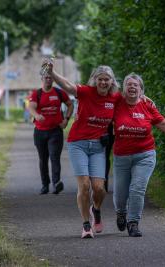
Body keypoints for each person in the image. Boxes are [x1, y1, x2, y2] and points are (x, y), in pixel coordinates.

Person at [46, 60, 120, 238]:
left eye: (107, 79)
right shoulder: (87, 92)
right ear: (95, 80)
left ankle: (96, 209)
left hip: (97, 147)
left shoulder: (116, 97)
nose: (103, 82)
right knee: (85, 185)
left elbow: (133, 99)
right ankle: (86, 225)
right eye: (100, 79)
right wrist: (52, 73)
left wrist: (145, 99)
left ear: (112, 82)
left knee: (99, 188)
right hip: (78, 143)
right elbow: (68, 86)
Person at [112, 73, 165, 237]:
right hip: (121, 156)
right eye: (129, 84)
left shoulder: (147, 105)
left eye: (136, 85)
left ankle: (133, 223)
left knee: (137, 189)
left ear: (141, 89)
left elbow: (161, 122)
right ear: (123, 89)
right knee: (120, 194)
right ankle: (121, 213)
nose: (132, 87)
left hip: (145, 155)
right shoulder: (117, 102)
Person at [28, 73, 73, 195]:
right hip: (40, 132)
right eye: (46, 78)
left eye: (51, 78)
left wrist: (66, 119)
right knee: (43, 159)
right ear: (42, 78)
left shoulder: (59, 93)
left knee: (54, 157)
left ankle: (56, 183)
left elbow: (70, 105)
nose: (49, 80)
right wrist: (37, 115)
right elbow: (31, 107)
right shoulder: (37, 94)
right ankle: (45, 185)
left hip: (55, 131)